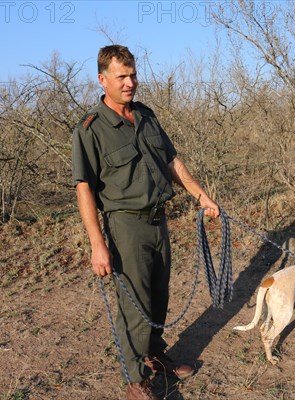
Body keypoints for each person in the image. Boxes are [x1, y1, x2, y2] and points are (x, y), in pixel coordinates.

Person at [72, 45, 220, 400]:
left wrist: (201, 195)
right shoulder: (91, 128)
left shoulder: (146, 116)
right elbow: (84, 189)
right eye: (121, 76)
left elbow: (172, 161)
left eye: (133, 74)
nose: (129, 83)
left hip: (158, 221)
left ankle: (154, 354)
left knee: (158, 296)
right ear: (102, 79)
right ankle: (135, 380)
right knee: (134, 306)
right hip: (125, 226)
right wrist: (97, 244)